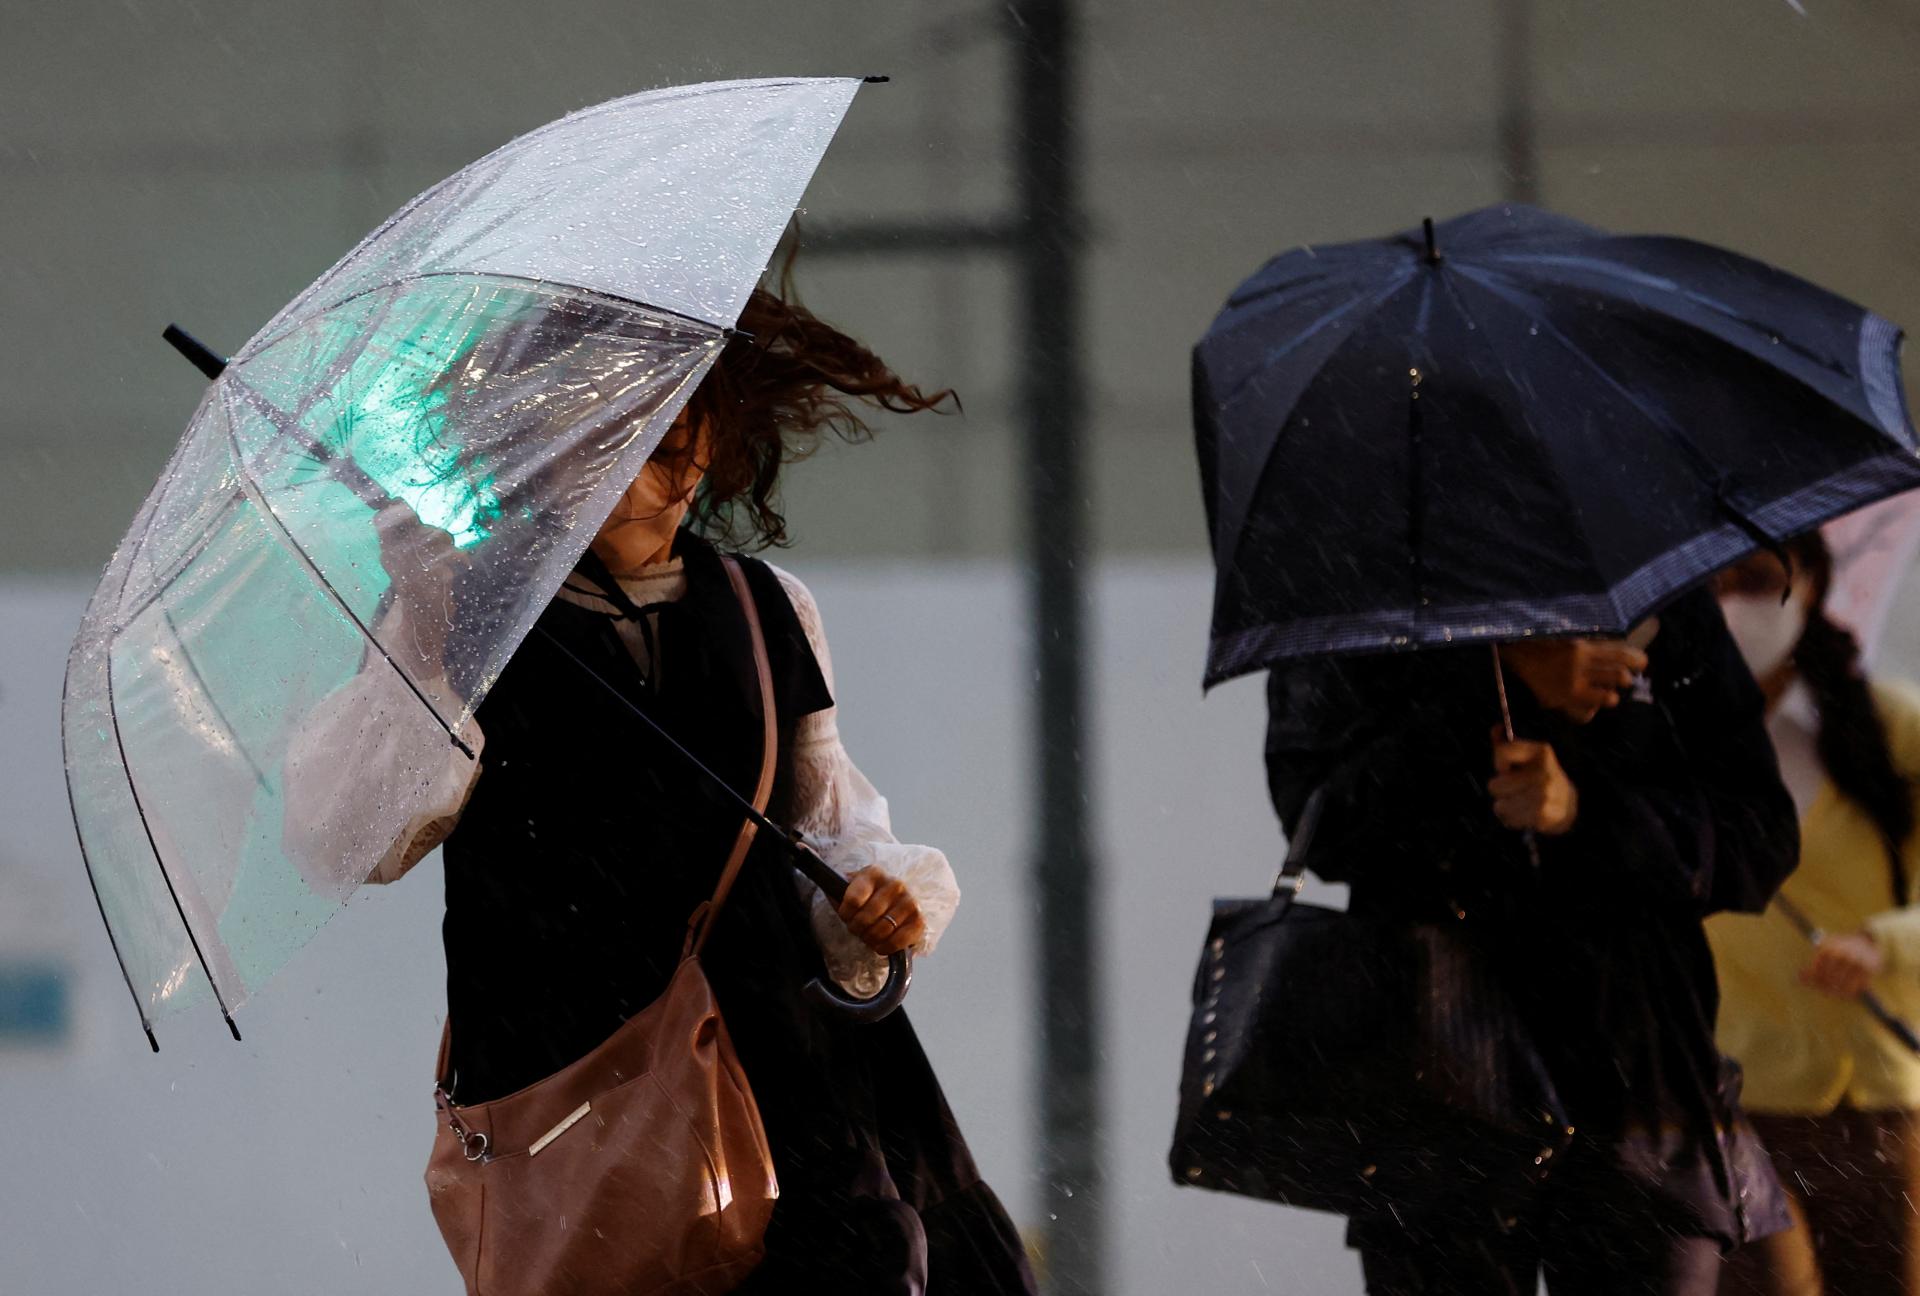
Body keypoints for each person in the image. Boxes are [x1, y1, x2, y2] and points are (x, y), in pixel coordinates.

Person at [397, 275, 1035, 1294]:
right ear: (557, 459)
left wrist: (870, 902)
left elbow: (828, 816)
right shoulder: (469, 623)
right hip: (579, 1088)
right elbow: (375, 832)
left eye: (694, 433)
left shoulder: (764, 605)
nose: (686, 469)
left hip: (793, 1076)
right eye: (648, 449)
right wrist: (426, 632)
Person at [1263, 585, 1801, 1295]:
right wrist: (1502, 682)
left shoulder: (1654, 597)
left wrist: (1587, 813)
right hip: (1437, 1078)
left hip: (1641, 1082)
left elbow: (1758, 837)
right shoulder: (1363, 603)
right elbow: (1321, 824)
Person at [1711, 534, 1920, 1296]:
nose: (1737, 603)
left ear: (1816, 583)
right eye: (1716, 584)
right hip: (1735, 1106)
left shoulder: (1887, 725)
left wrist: (1885, 945)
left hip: (1874, 1103)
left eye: (1760, 580)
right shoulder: (1668, 740)